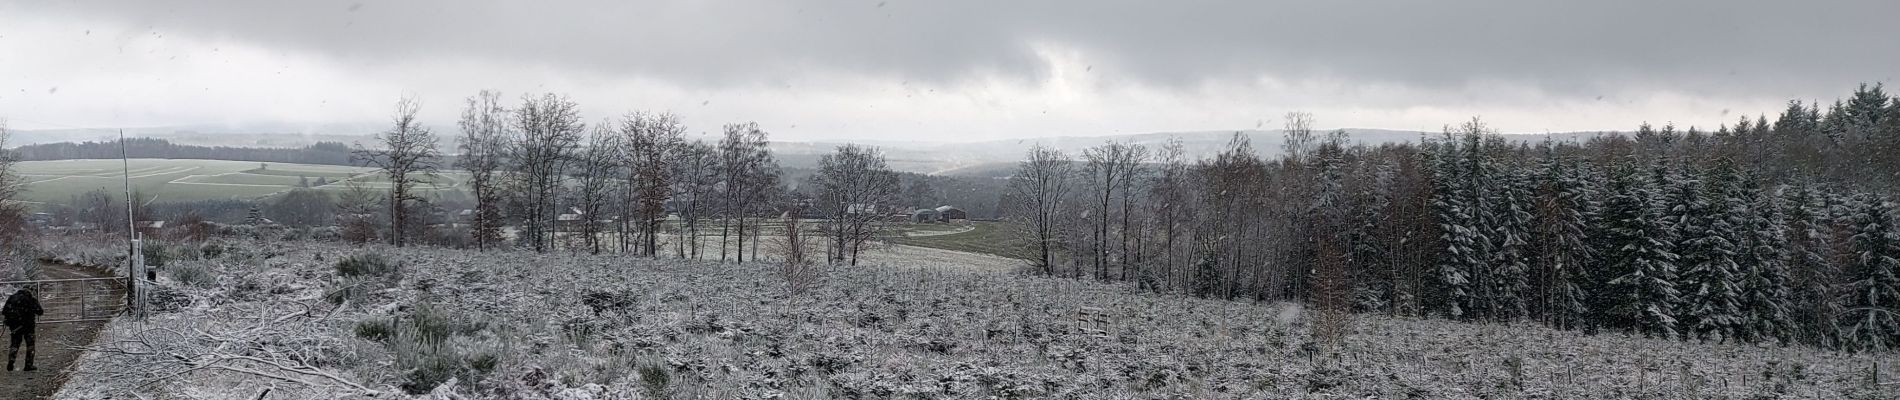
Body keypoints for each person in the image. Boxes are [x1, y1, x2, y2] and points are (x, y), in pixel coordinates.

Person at [2, 287, 43, 371]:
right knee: (30, 345)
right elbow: (40, 311)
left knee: (14, 344)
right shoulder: (31, 299)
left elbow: (4, 311)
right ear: (30, 291)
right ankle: (28, 365)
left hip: (15, 326)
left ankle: (11, 361)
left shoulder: (12, 298)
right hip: (28, 326)